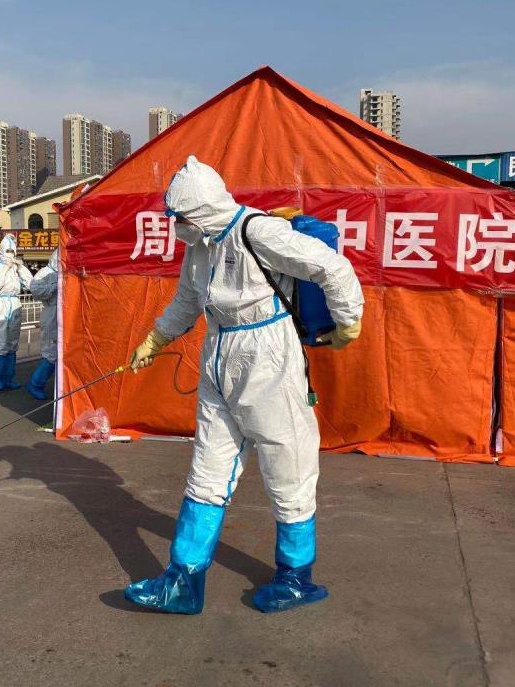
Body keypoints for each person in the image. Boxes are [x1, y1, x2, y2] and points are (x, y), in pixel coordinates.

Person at [124, 156, 364, 615]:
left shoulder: (259, 231)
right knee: (207, 468)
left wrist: (348, 322)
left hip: (268, 354)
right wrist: (155, 338)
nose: (177, 226)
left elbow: (332, 268)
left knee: (286, 463)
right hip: (218, 353)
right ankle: (182, 580)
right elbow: (187, 301)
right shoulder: (201, 248)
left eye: (181, 217)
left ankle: (296, 576)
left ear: (202, 210)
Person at [0, 234, 33, 391]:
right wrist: (5, 269)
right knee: (0, 343)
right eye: (8, 251)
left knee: (12, 344)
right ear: (1, 251)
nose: (10, 254)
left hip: (14, 303)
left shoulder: (15, 269)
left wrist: (20, 268)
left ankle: (9, 378)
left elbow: (31, 284)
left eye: (13, 251)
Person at [26, 249, 58, 400]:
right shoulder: (45, 273)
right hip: (52, 314)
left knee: (62, 352)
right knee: (51, 353)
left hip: (64, 313)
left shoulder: (67, 272)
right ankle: (35, 384)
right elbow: (36, 291)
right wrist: (55, 286)